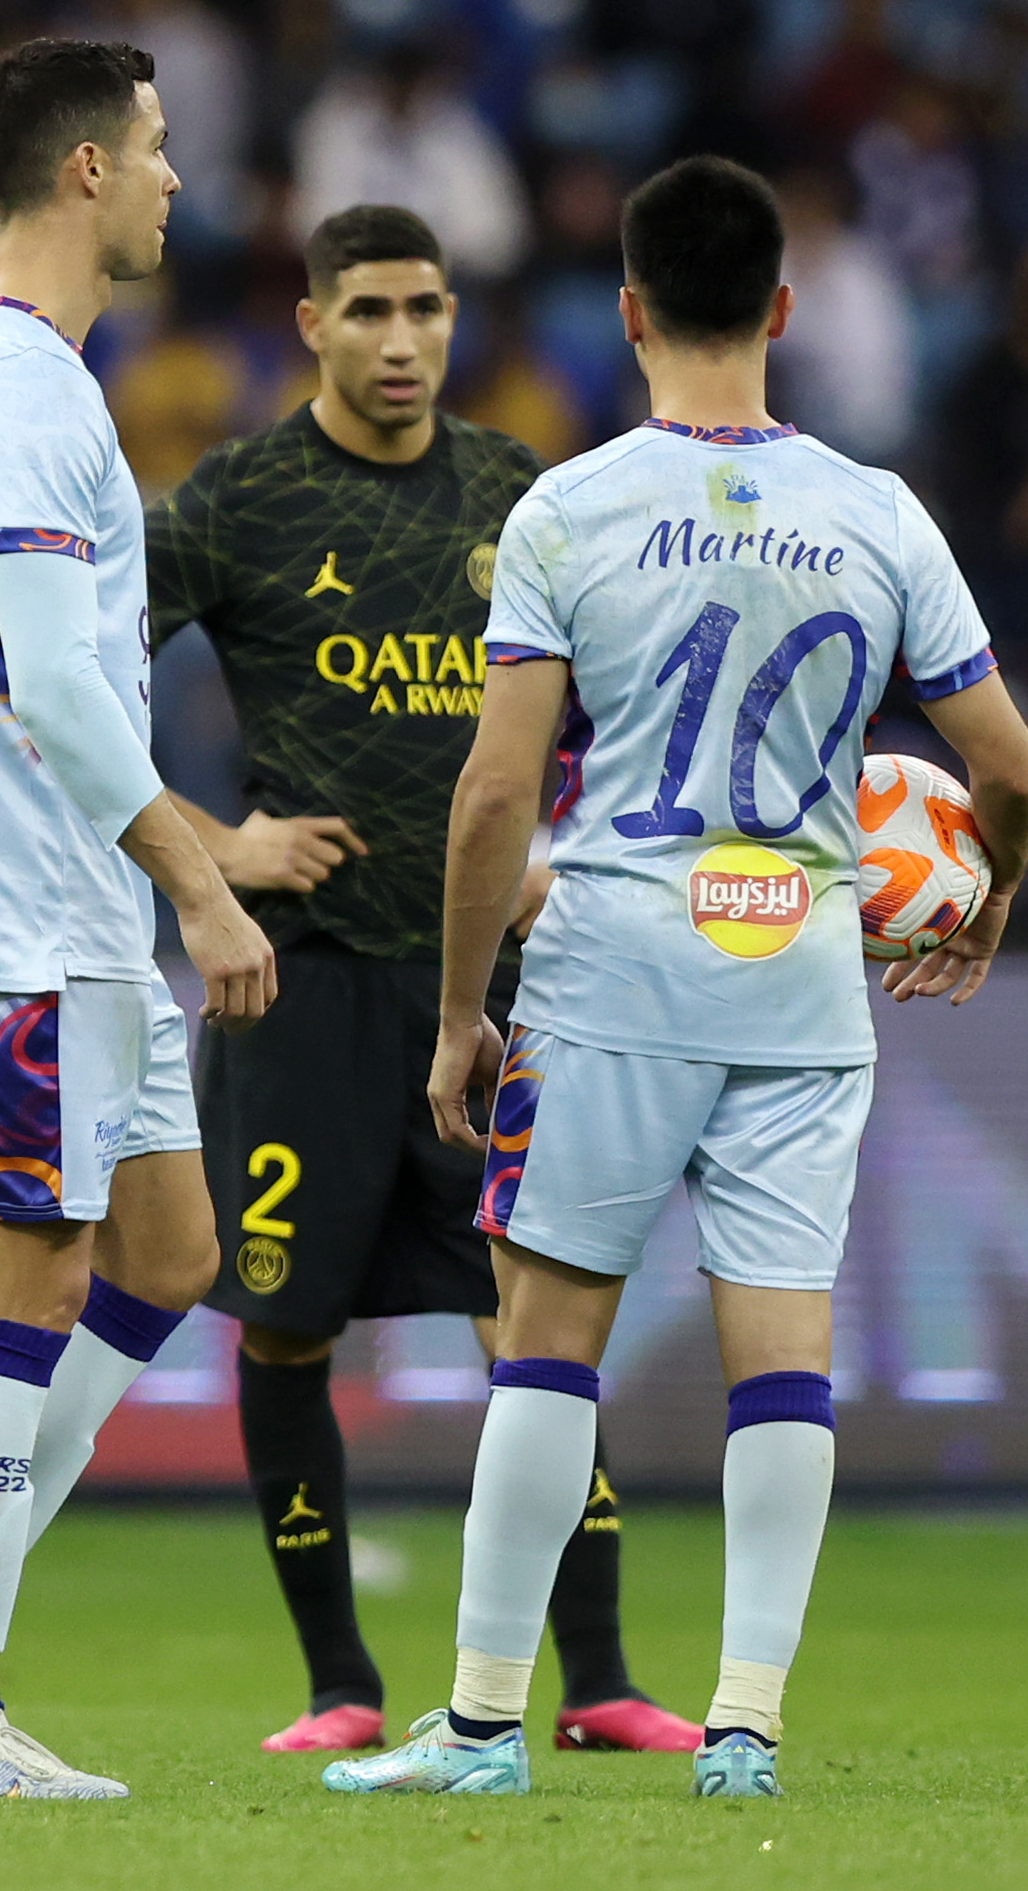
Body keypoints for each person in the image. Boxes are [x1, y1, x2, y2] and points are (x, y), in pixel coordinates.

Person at [323, 157, 1028, 1801]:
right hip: (797, 974)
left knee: (548, 1339)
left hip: (613, 977)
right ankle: (746, 1727)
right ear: (782, 311)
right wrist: (989, 895)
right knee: (781, 1352)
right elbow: (1007, 764)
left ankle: (488, 1729)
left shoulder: (568, 509)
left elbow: (499, 795)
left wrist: (458, 1012)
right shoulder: (880, 512)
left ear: (629, 312)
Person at [149, 202, 698, 1757]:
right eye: (371, 311)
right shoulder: (243, 501)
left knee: (537, 1324)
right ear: (311, 323)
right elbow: (45, 689)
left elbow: (640, 697)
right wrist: (213, 852)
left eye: (430, 310)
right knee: (283, 1331)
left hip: (500, 984)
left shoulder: (523, 495)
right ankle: (339, 1684)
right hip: (303, 991)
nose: (403, 342)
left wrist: (572, 859)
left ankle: (592, 1681)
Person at [0, 37, 278, 1800]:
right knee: (18, 1289)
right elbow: (50, 681)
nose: (180, 178)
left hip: (70, 911)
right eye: (161, 148)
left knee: (171, 1254)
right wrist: (203, 876)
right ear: (85, 171)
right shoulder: (17, 392)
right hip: (33, 913)